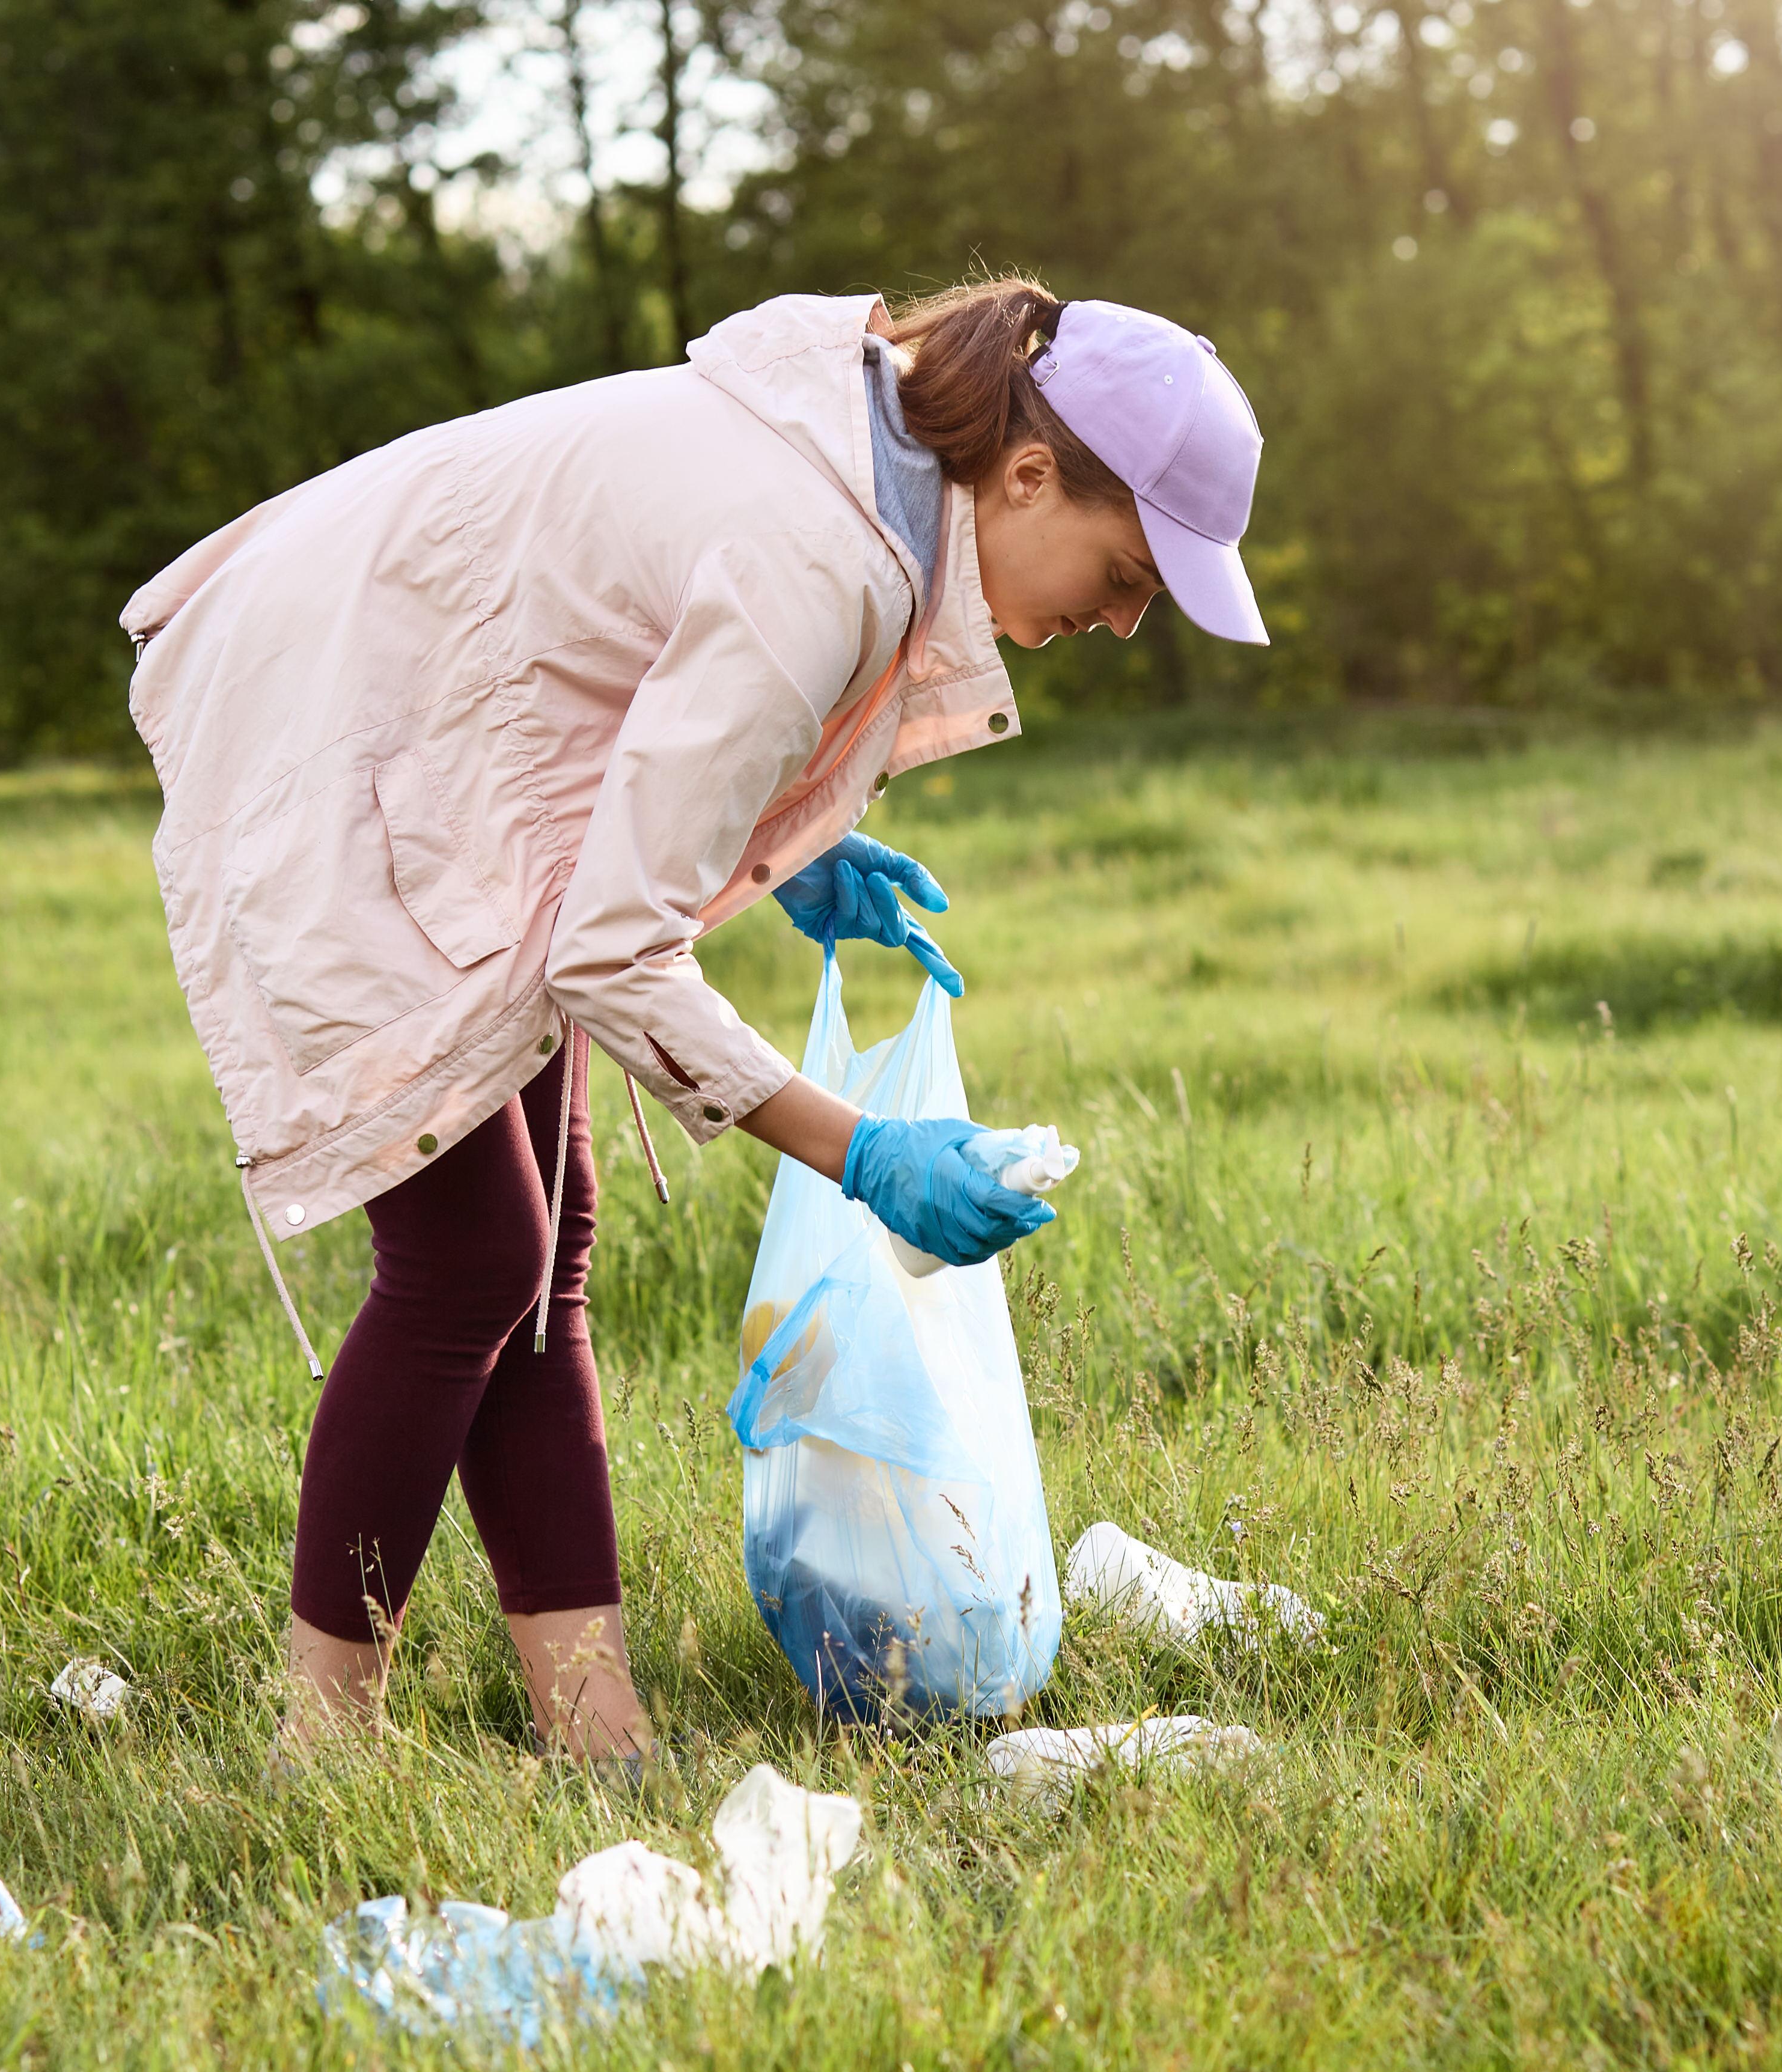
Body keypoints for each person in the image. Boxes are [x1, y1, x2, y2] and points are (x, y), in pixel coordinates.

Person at [118, 279, 1270, 1766]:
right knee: (468, 1259)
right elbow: (614, 953)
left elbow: (649, 664)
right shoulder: (824, 552)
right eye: (1129, 571)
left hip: (437, 705)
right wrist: (858, 1152)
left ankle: (595, 1731)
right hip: (346, 719)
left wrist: (777, 831)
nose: (1124, 621)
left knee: (540, 1254)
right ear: (1031, 473)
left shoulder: (874, 465)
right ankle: (319, 1749)